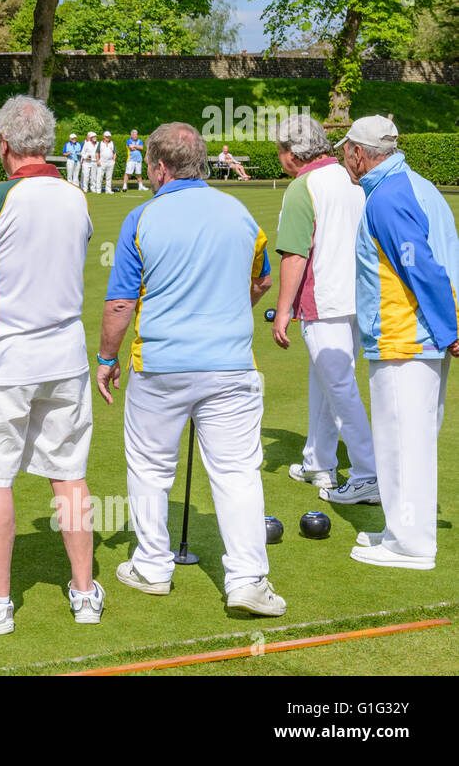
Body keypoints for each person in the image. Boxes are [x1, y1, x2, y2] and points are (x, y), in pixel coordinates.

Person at [96, 121, 285, 617]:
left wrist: (106, 360)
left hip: (159, 365)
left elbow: (119, 305)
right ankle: (247, 580)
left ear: (158, 167)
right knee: (238, 472)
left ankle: (152, 567)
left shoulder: (142, 217)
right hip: (229, 366)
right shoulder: (242, 215)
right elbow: (262, 280)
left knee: (151, 468)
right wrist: (228, 309)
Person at [0, 95, 102, 633]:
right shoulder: (77, 196)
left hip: (3, 358)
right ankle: (83, 592)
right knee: (69, 476)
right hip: (66, 358)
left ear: (4, 145)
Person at [342, 115, 459, 570]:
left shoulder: (388, 198)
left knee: (402, 441)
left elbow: (421, 267)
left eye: (346, 149)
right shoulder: (413, 185)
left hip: (406, 336)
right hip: (416, 334)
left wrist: (449, 330)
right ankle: (401, 527)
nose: (343, 157)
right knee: (407, 439)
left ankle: (410, 544)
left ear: (361, 153)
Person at [271, 115, 377, 504]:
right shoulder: (355, 179)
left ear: (291, 153)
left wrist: (283, 310)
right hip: (358, 299)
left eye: (279, 150)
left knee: (340, 388)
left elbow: (295, 253)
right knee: (327, 383)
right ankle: (319, 460)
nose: (279, 158)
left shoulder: (304, 186)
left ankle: (369, 472)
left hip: (325, 301)